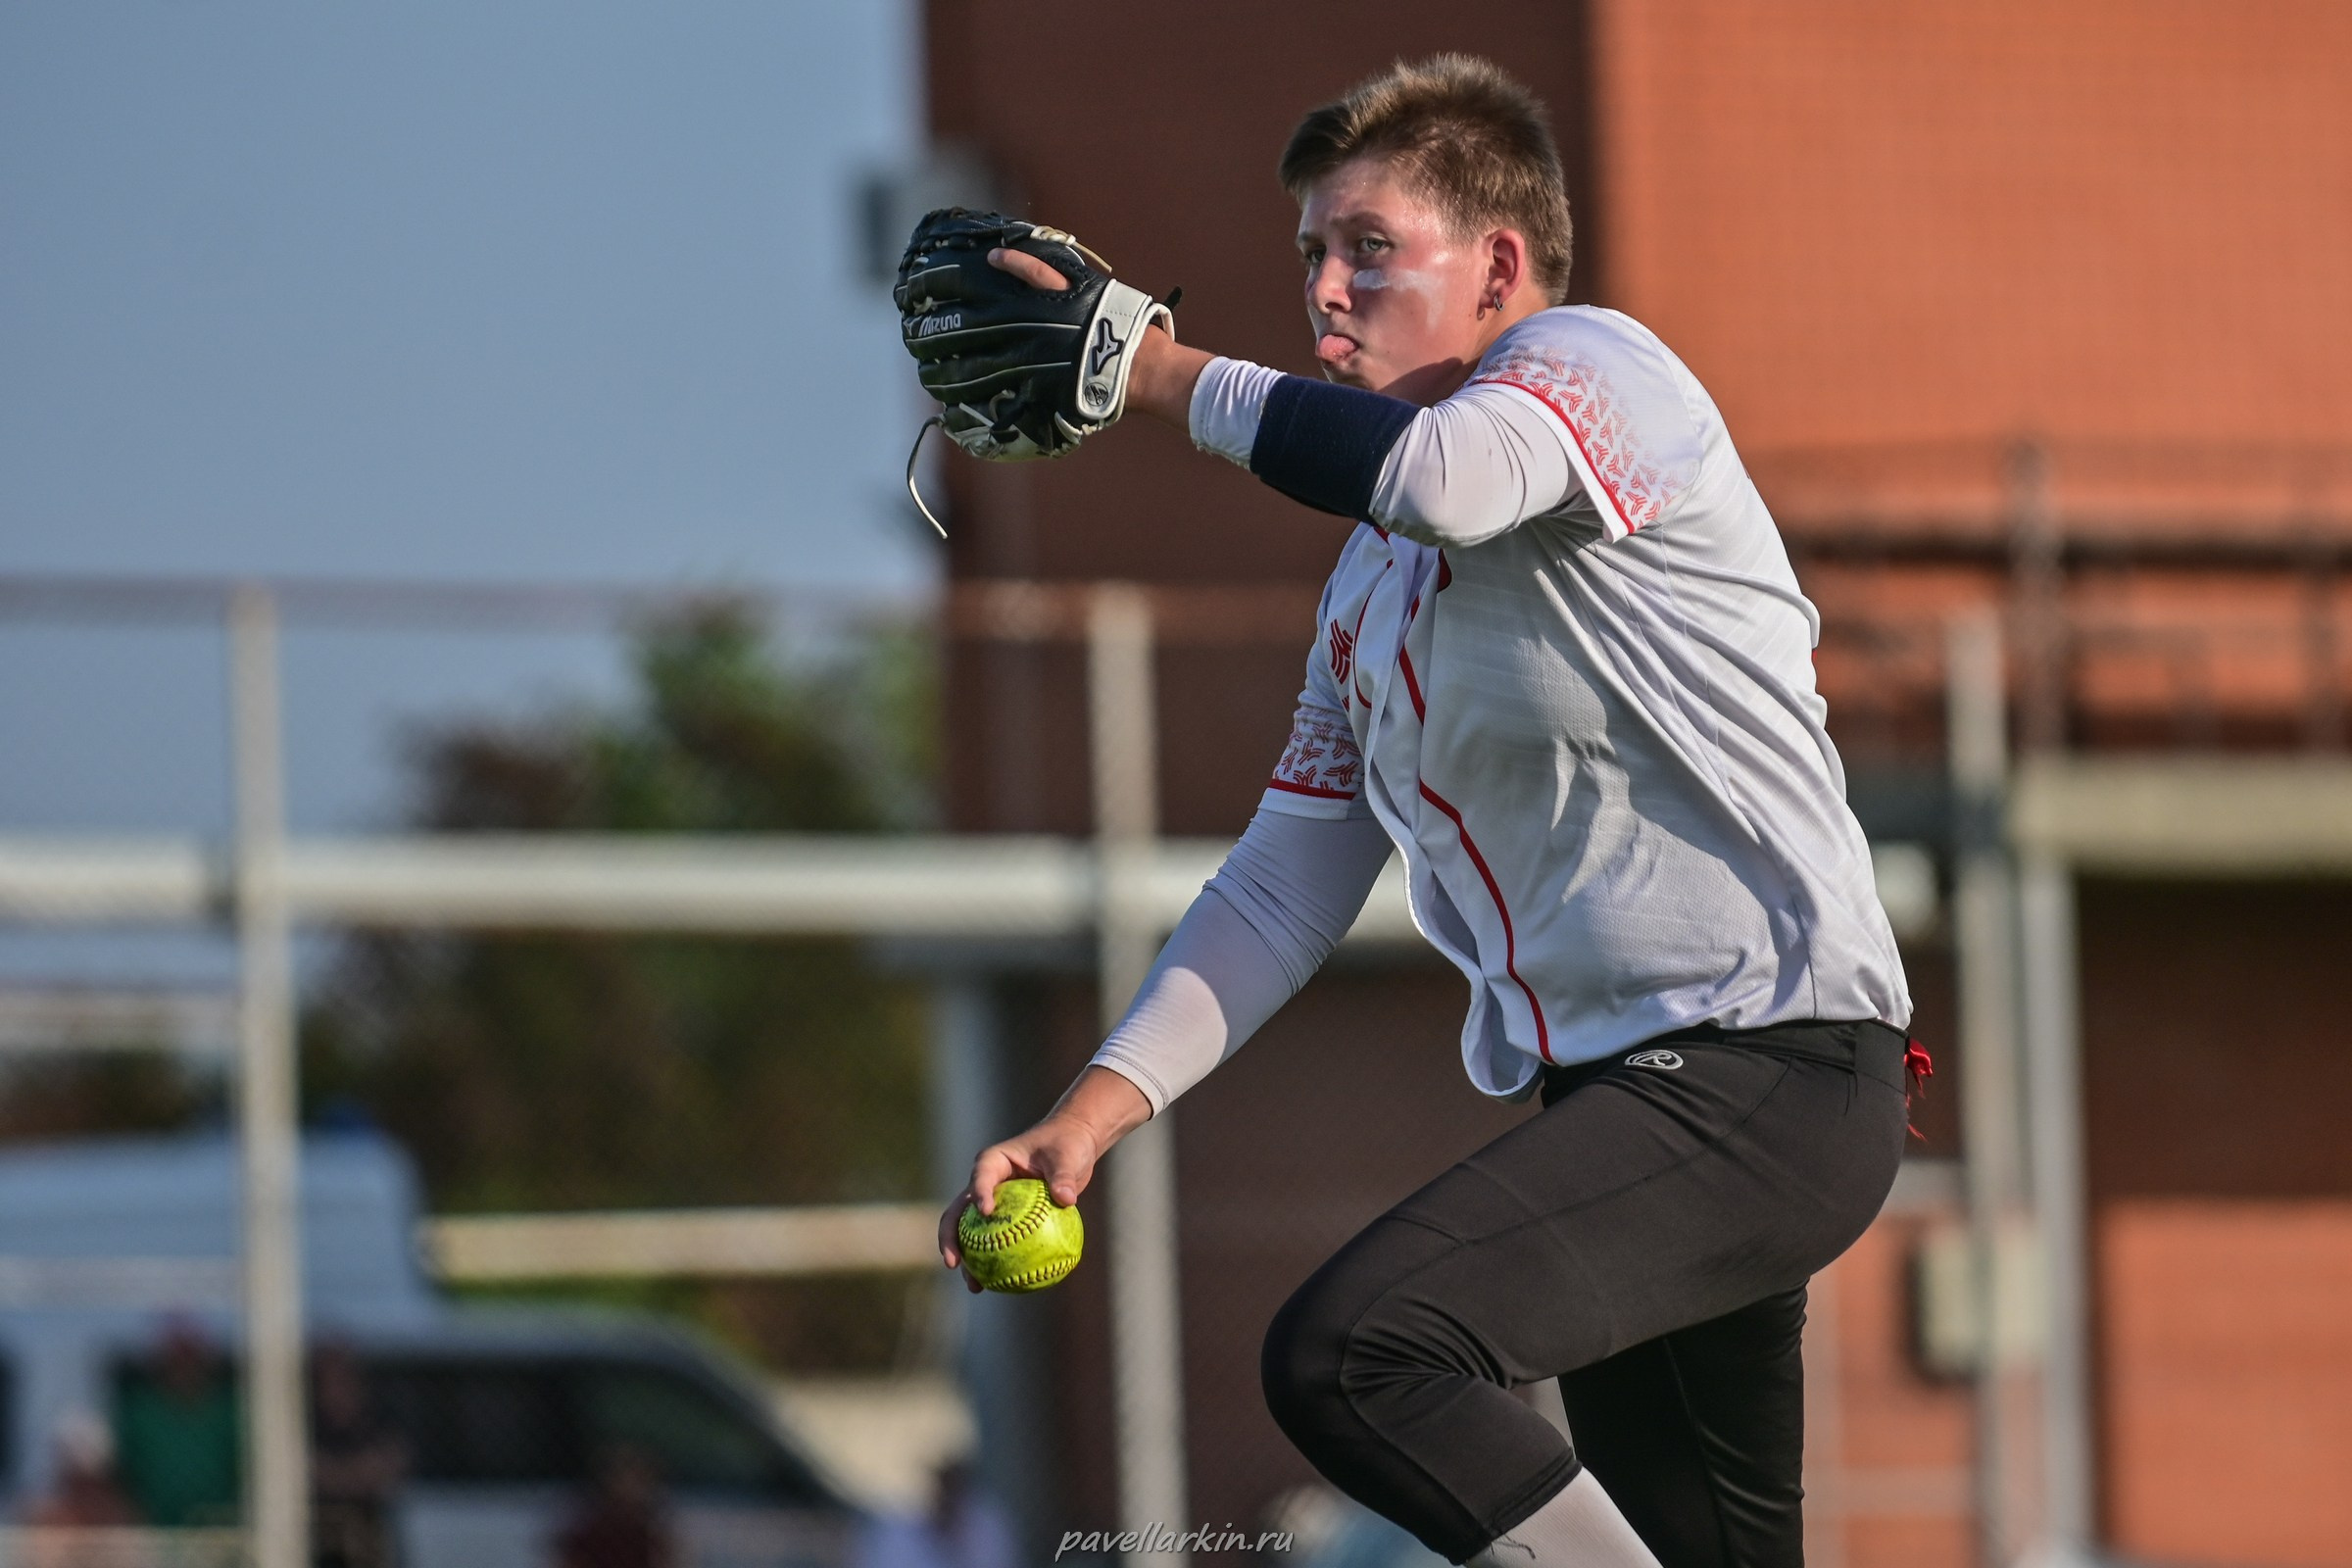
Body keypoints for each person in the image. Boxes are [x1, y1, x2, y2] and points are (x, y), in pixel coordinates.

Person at [917, 54, 1924, 1568]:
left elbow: (1444, 479)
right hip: (1629, 1099)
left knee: (1359, 1356)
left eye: (1372, 249)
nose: (1327, 291)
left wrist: (1158, 370)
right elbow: (1282, 882)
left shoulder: (1602, 365)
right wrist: (1095, 1109)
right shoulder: (1373, 589)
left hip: (1771, 1072)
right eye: (1311, 256)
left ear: (1501, 267)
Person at [114, 1316, 241, 1532]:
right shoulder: (140, 1414)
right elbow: (121, 1474)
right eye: (176, 1357)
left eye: (190, 1355)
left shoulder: (229, 1412)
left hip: (223, 1532)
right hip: (154, 1533)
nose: (184, 1366)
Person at [309, 1343, 406, 1568]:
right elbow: (304, 1469)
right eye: (327, 1379)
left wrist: (336, 1474)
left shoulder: (380, 1418)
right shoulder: (310, 1423)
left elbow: (389, 1467)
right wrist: (355, 1473)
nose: (335, 1387)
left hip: (368, 1530)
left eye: (342, 1378)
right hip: (320, 1533)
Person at [847, 1457, 1017, 1568]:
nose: (945, 1493)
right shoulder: (898, 1531)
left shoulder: (986, 1522)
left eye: (953, 1483)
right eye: (941, 1483)